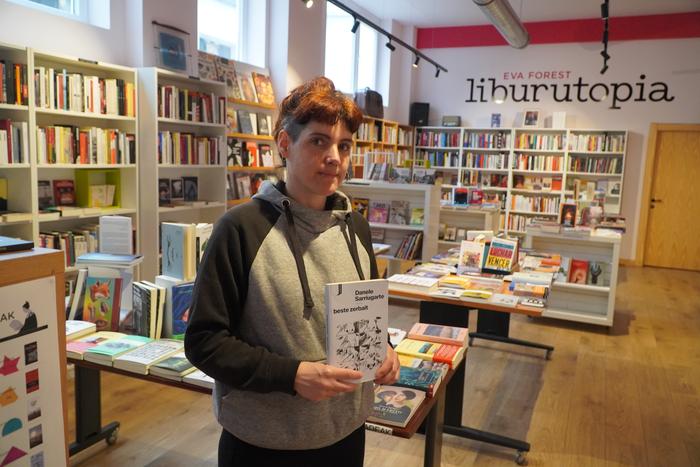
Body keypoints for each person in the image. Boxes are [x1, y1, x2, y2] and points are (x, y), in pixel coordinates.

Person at [185, 76, 400, 467]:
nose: (334, 157)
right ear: (285, 144)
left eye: (344, 145)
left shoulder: (356, 226)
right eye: (319, 141)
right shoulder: (239, 229)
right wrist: (292, 375)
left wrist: (384, 346)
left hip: (347, 432)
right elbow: (205, 342)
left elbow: (367, 314)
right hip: (263, 444)